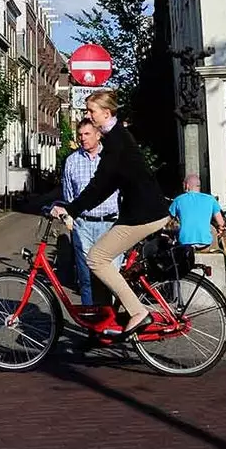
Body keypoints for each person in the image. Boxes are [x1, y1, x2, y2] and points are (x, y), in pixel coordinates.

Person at [50, 90, 170, 339]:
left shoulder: (116, 143)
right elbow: (104, 186)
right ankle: (106, 324)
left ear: (106, 113)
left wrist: (70, 208)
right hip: (139, 211)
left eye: (91, 111)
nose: (87, 115)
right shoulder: (116, 138)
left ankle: (138, 312)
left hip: (144, 213)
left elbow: (100, 187)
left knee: (96, 258)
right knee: (99, 269)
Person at [60, 118, 119, 306]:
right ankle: (92, 328)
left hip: (110, 224)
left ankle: (111, 324)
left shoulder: (111, 157)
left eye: (87, 134)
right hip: (83, 225)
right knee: (86, 278)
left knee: (111, 278)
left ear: (98, 135)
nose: (82, 138)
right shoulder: (71, 162)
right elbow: (69, 195)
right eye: (80, 134)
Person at [169, 173, 226, 248]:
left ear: (187, 185)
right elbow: (221, 223)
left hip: (184, 242)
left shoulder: (178, 200)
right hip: (205, 242)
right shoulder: (211, 199)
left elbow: (168, 221)